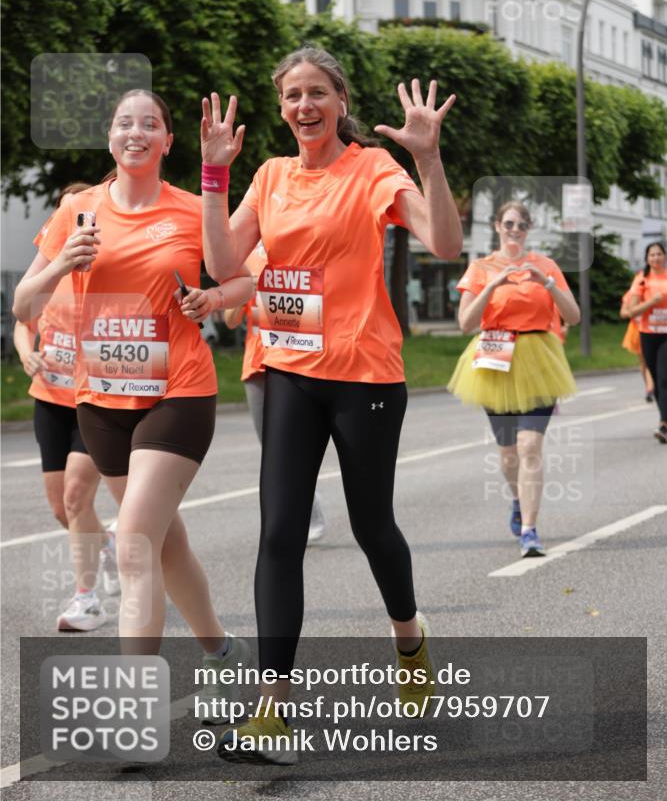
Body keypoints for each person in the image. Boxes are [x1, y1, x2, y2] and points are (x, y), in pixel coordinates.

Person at [200, 46, 463, 763]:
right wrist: (214, 178)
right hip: (288, 367)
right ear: (281, 107)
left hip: (364, 374)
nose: (304, 107)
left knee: (371, 524)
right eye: (292, 96)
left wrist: (427, 160)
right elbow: (225, 268)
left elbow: (444, 242)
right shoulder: (272, 175)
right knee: (279, 530)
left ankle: (408, 641)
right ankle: (273, 713)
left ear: (340, 101)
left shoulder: (371, 169)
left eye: (317, 93)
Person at [13, 90, 254, 675]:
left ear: (169, 141)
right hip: (99, 400)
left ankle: (134, 705)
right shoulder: (80, 211)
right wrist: (59, 263)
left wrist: (211, 297)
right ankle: (223, 650)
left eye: (150, 124)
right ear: (111, 137)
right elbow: (24, 305)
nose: (136, 133)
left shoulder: (193, 210)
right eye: (125, 123)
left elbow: (242, 283)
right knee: (164, 541)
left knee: (135, 542)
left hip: (178, 391)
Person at [13, 183, 118, 632]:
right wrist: (25, 353)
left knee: (78, 495)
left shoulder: (103, 274)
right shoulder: (49, 276)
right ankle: (107, 542)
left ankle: (86, 599)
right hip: (49, 400)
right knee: (62, 508)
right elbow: (24, 322)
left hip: (93, 400)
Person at [448, 201, 580, 557]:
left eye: (521, 225)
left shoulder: (546, 265)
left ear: (528, 229)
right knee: (508, 454)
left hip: (539, 360)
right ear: (497, 226)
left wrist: (548, 284)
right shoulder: (480, 267)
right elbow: (465, 324)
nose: (514, 230)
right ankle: (518, 500)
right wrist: (491, 286)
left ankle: (530, 531)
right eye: (509, 224)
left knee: (529, 446)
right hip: (495, 357)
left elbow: (574, 315)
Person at [224, 242, 327, 544]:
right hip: (257, 365)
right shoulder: (247, 256)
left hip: (296, 362)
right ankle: (308, 506)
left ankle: (301, 513)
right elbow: (230, 319)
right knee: (271, 450)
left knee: (295, 446)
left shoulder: (302, 247)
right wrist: (248, 288)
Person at [627, 242, 667, 443]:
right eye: (652, 255)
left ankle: (664, 423)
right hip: (648, 334)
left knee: (663, 377)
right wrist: (651, 302)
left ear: (665, 257)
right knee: (658, 383)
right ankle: (665, 419)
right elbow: (631, 311)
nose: (656, 258)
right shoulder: (641, 280)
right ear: (647, 258)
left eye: (659, 254)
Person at [620, 285, 654, 402]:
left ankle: (651, 388)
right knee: (644, 361)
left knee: (651, 359)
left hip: (653, 328)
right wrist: (631, 312)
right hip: (637, 330)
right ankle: (650, 388)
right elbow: (623, 312)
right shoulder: (631, 294)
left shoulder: (655, 290)